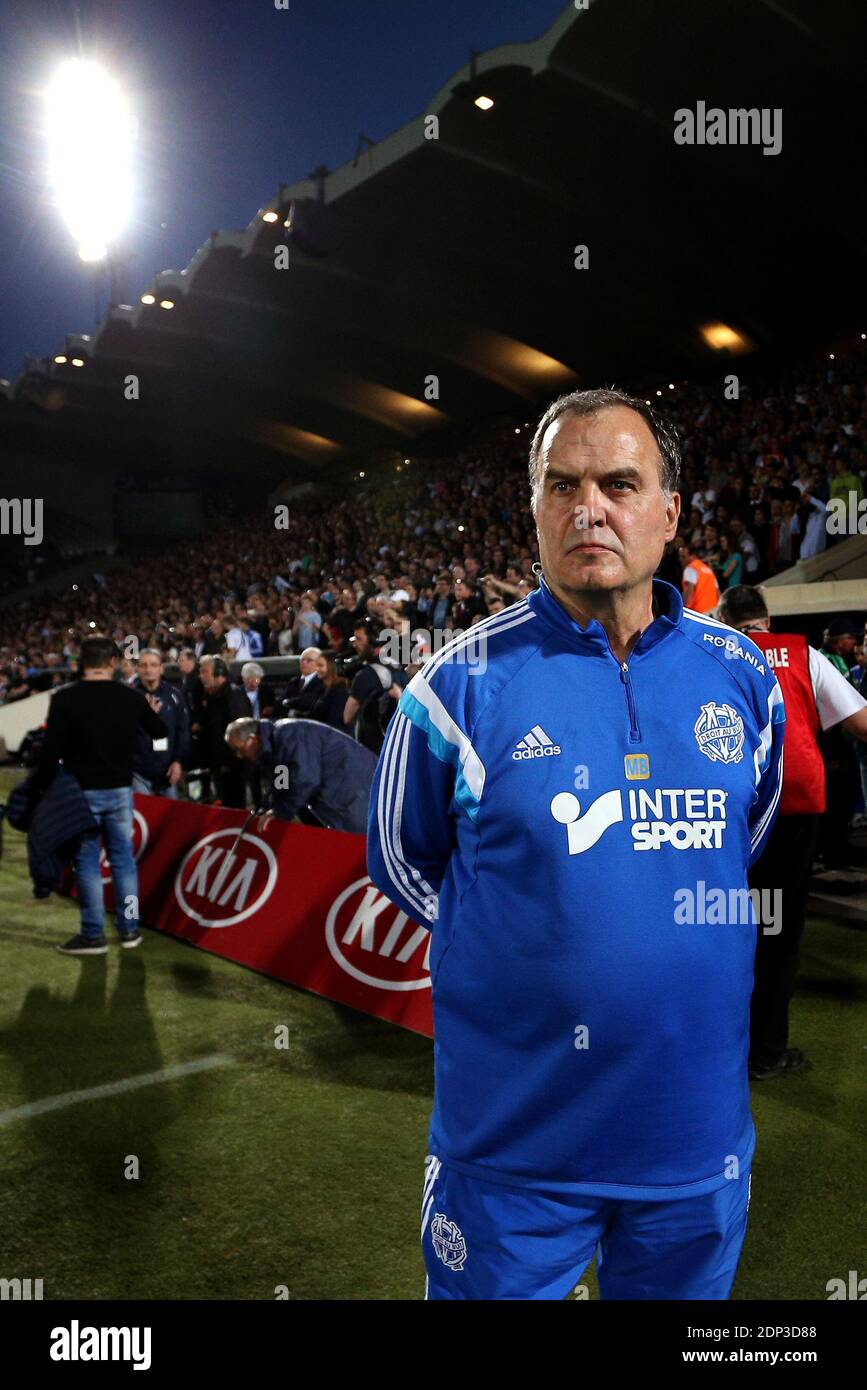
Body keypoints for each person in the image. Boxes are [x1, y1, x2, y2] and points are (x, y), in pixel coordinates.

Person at [368, 387, 785, 1301]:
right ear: (534, 510)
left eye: (619, 484)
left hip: (693, 1143)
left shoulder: (745, 677)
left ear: (669, 514)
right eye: (562, 485)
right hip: (514, 1146)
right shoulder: (457, 685)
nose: (588, 507)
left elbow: (735, 843)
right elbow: (402, 860)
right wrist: (534, 935)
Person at [717, 586, 867, 1078]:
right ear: (767, 618)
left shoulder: (709, 649)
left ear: (725, 616)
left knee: (722, 926)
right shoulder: (805, 654)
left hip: (727, 809)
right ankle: (766, 1051)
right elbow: (860, 721)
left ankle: (719, 1045)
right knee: (778, 933)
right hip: (793, 806)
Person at [34, 635, 168, 955]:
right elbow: (160, 733)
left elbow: (50, 752)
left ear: (83, 663)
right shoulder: (131, 697)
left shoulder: (66, 698)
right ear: (112, 663)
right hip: (121, 791)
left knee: (88, 864)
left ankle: (93, 935)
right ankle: (130, 929)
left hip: (82, 793)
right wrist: (147, 712)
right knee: (124, 863)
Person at [225, 716, 376, 833]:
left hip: (358, 789)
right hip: (345, 792)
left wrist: (280, 813)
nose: (239, 755)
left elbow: (305, 780)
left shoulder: (290, 734)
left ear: (252, 739)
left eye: (238, 749)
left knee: (364, 846)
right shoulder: (274, 746)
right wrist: (271, 809)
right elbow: (281, 785)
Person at [342, 618, 408, 752]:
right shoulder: (398, 665)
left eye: (359, 639)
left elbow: (347, 717)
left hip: (371, 749)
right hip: (397, 747)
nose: (355, 644)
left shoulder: (365, 676)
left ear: (374, 641)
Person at [130, 649, 190, 797]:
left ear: (161, 668)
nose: (148, 669)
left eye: (153, 664)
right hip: (138, 772)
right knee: (143, 818)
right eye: (143, 665)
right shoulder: (128, 696)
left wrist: (178, 761)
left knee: (170, 818)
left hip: (167, 771)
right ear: (137, 668)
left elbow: (182, 731)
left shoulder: (174, 695)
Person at [199, 656, 249, 806]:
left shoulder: (234, 695)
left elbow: (241, 731)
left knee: (235, 806)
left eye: (204, 671)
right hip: (218, 763)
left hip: (233, 765)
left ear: (219, 673)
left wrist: (231, 760)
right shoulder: (211, 696)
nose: (200, 675)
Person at [675, 536, 720, 613]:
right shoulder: (708, 569)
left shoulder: (690, 568)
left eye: (683, 557)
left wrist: (683, 609)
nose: (681, 560)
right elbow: (718, 592)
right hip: (713, 612)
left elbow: (689, 591)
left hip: (698, 612)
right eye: (680, 557)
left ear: (693, 556)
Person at [306, 651, 349, 729]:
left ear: (331, 667)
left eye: (320, 665)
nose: (316, 669)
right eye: (316, 665)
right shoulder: (321, 688)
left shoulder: (339, 691)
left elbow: (334, 721)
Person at [282, 647, 324, 714]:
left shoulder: (322, 681)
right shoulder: (294, 681)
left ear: (318, 663)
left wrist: (287, 702)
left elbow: (310, 702)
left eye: (309, 660)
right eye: (302, 660)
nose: (304, 662)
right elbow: (282, 702)